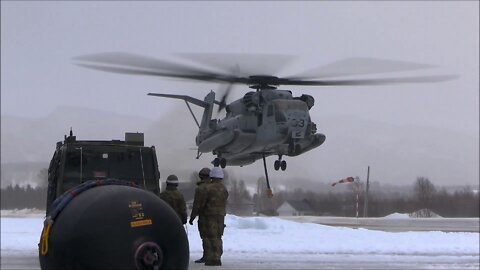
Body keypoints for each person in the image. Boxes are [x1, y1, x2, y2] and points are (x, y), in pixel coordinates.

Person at [202, 167, 229, 266]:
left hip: (210, 215)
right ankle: (218, 257)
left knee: (210, 236)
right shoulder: (224, 189)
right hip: (221, 215)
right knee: (218, 236)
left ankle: (211, 258)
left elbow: (203, 202)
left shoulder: (208, 188)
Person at [189, 167, 211, 263]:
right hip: (216, 215)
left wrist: (192, 218)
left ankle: (206, 256)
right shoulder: (214, 187)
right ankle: (215, 256)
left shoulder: (200, 189)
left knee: (205, 236)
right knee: (215, 236)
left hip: (204, 216)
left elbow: (197, 204)